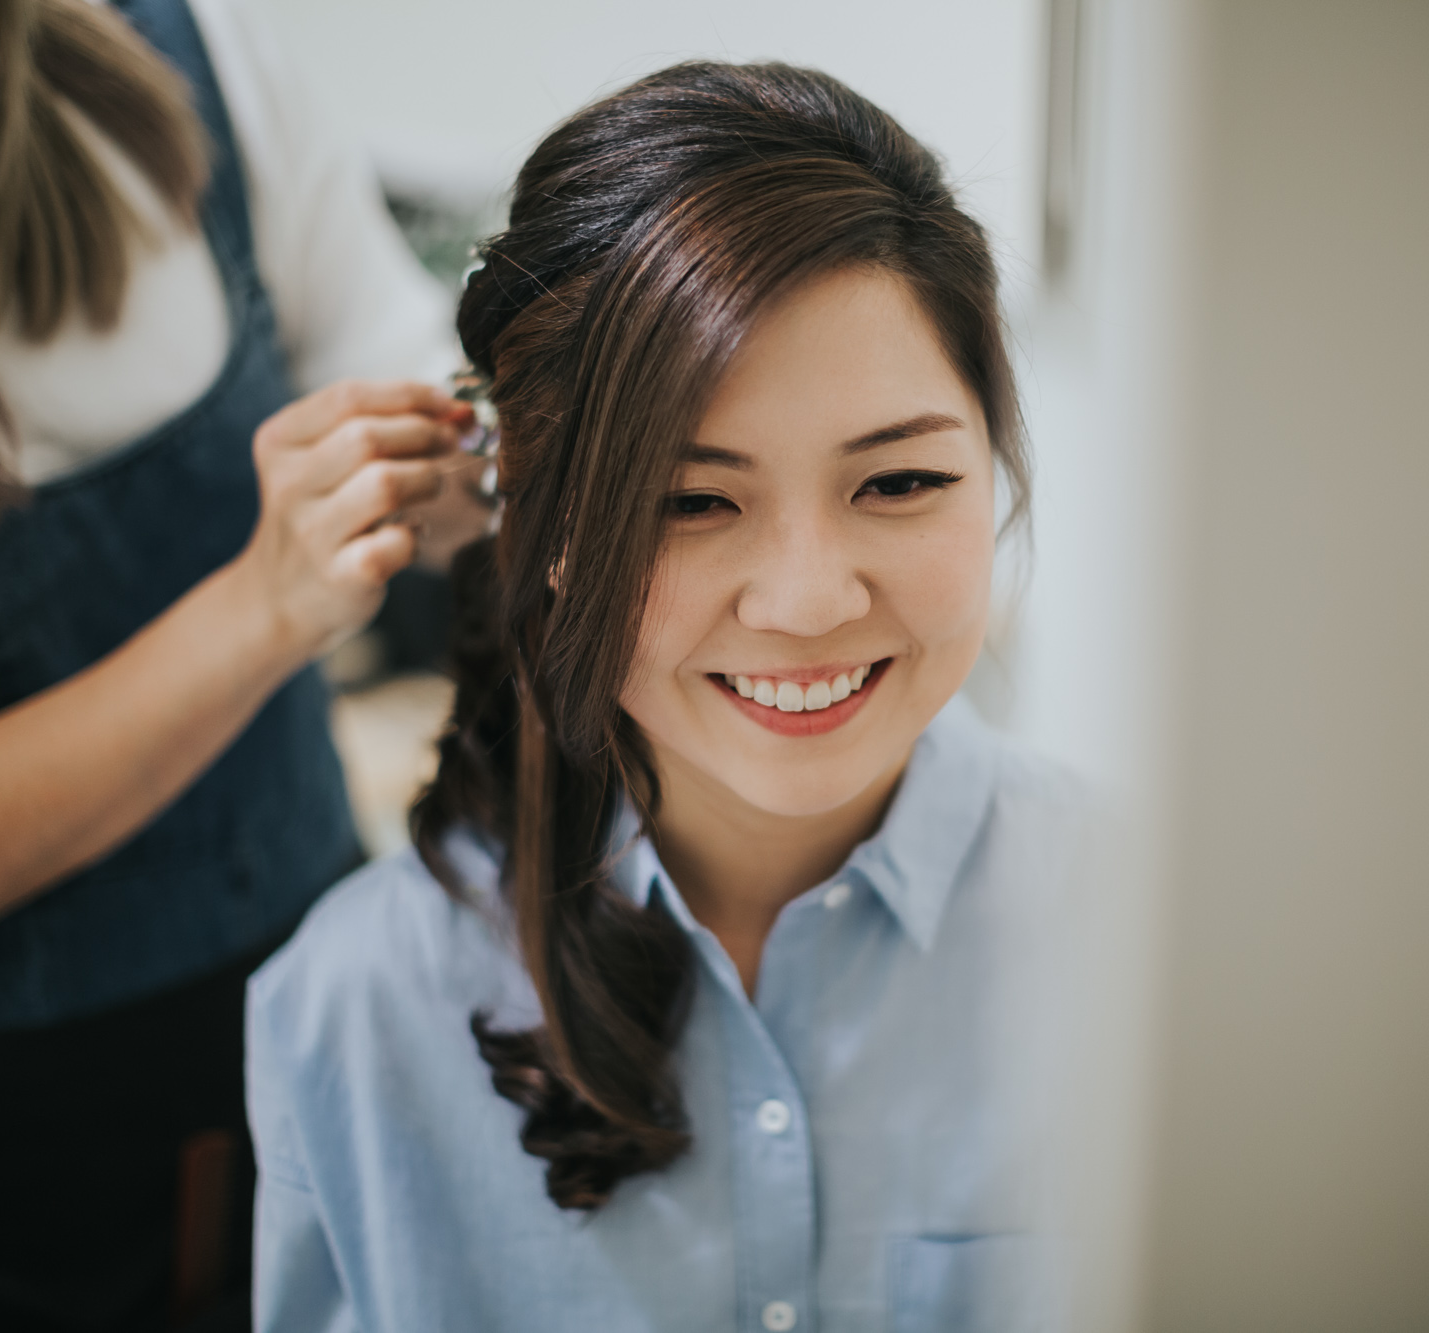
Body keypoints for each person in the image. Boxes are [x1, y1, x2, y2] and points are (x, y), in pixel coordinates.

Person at [248, 61, 1081, 1332]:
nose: (805, 601)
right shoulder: (351, 1011)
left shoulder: (1164, 943)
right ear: (532, 521)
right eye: (689, 502)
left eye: (898, 482)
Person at [0, 0, 479, 1325]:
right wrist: (268, 601)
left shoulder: (198, 55)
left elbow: (413, 396)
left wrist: (530, 444)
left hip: (325, 1024)